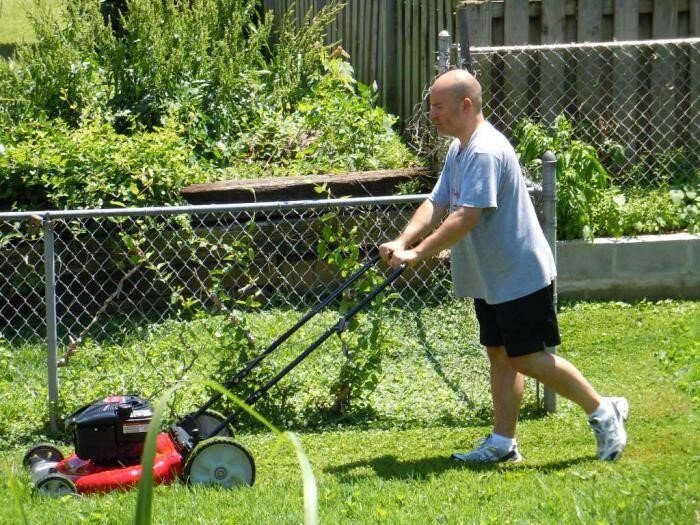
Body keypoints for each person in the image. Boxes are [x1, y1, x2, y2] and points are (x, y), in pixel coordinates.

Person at [378, 69, 628, 463]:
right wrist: (402, 241)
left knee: (525, 356)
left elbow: (466, 217)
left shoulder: (485, 150)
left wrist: (418, 253)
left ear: (465, 105)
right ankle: (502, 443)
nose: (432, 115)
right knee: (500, 354)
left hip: (519, 274)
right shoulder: (459, 149)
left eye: (438, 107)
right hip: (492, 276)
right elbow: (436, 202)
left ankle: (603, 410)